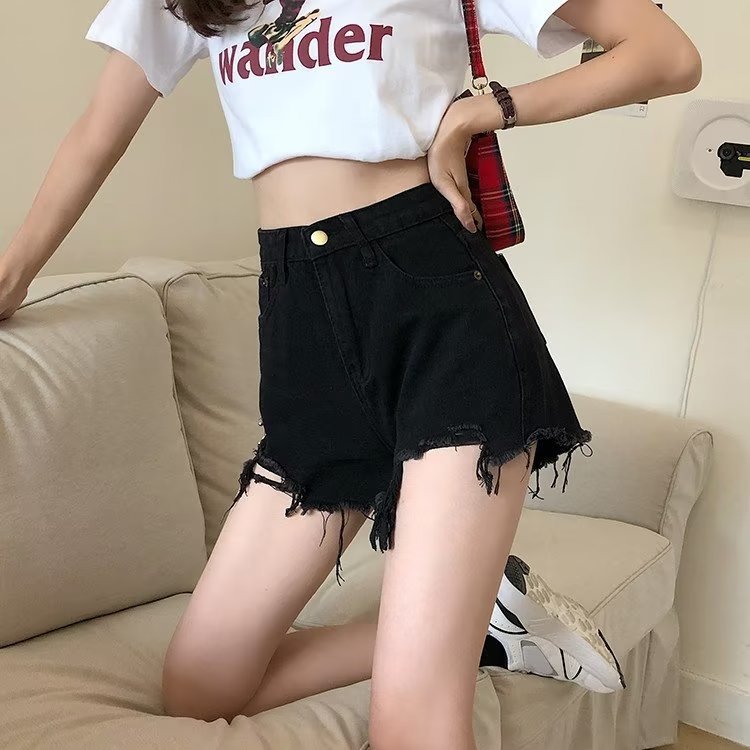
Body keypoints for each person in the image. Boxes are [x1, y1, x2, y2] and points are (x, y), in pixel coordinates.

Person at [0, 0, 700, 747]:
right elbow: (96, 134)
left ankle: (442, 644)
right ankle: (489, 629)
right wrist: (12, 278)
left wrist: (489, 108)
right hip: (303, 335)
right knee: (199, 689)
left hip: (440, 316)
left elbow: (665, 54)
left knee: (413, 723)